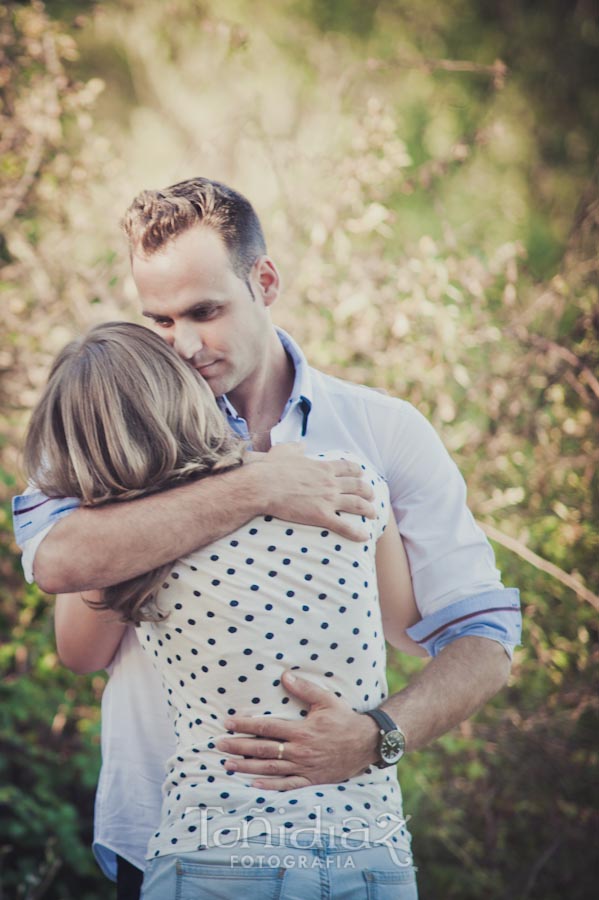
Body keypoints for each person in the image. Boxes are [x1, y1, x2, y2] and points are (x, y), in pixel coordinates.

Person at [13, 178, 521, 898]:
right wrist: (255, 486)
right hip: (171, 829)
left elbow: (470, 637)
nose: (183, 345)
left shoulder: (380, 430)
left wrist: (374, 734)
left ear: (266, 280)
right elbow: (76, 630)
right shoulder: (125, 437)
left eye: (204, 311)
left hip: (345, 838)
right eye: (157, 320)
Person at [25, 320, 427, 898]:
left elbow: (78, 651)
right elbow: (406, 624)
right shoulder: (350, 475)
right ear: (185, 391)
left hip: (215, 848)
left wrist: (108, 501)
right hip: (370, 850)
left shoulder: (137, 548)